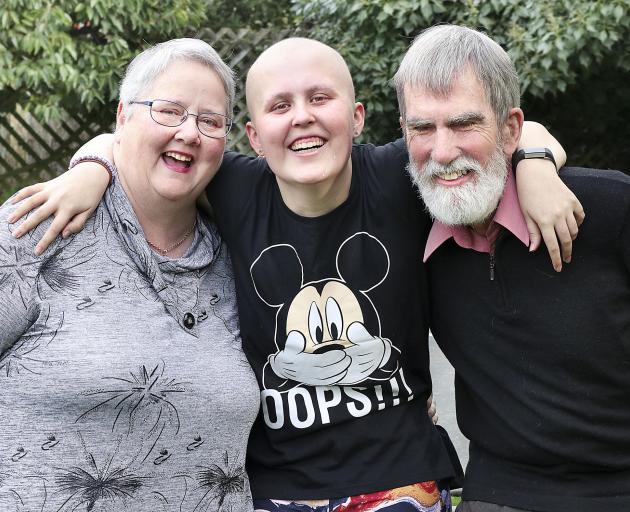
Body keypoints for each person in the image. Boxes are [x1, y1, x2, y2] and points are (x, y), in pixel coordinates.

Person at [7, 36, 583, 512]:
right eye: (280, 106)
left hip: (402, 478)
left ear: (357, 117)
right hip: (275, 490)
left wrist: (533, 165)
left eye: (320, 98)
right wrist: (91, 167)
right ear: (254, 137)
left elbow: (506, 131)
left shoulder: (397, 177)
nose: (302, 116)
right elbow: (143, 137)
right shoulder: (235, 188)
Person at [0, 39, 260, 511]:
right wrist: (98, 160)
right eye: (169, 110)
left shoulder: (239, 256)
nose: (190, 132)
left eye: (209, 121)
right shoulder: (39, 228)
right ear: (122, 117)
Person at [394, 24, 630, 511]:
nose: (442, 152)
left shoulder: (609, 210)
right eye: (422, 128)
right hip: (500, 489)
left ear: (509, 130)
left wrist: (537, 158)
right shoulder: (403, 222)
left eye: (464, 124)